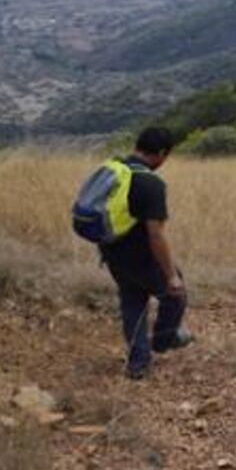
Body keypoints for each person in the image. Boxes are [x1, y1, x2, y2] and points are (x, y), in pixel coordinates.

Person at [99, 127, 193, 380]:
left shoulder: (114, 170)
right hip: (142, 256)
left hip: (112, 252)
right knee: (176, 295)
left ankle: (138, 365)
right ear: (162, 153)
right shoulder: (151, 183)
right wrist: (171, 275)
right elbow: (156, 234)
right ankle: (164, 340)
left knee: (132, 303)